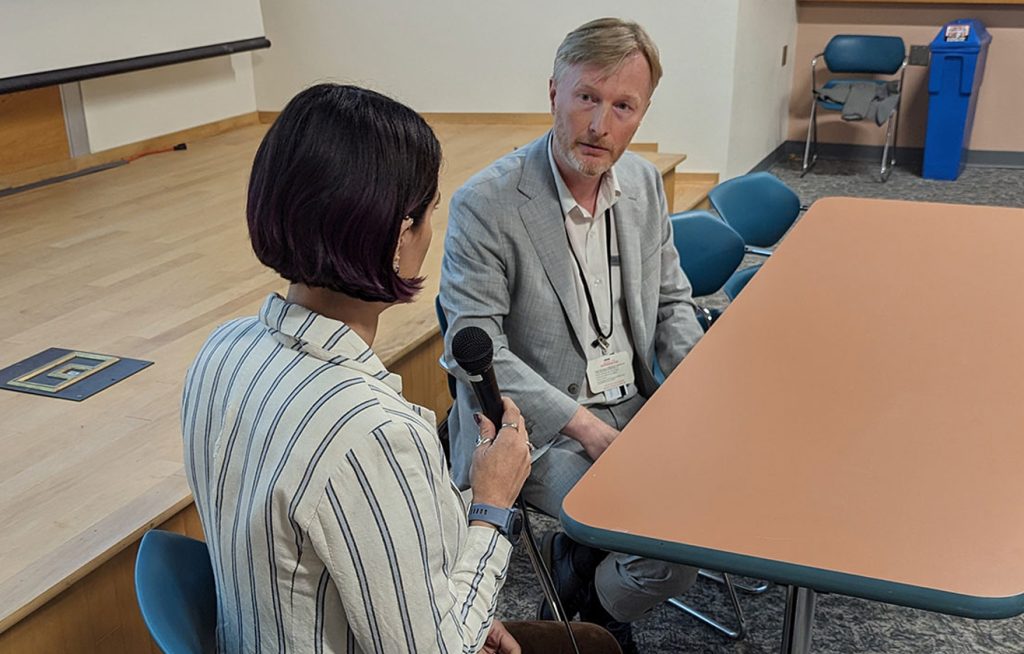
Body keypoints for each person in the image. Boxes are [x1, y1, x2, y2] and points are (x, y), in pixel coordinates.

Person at [182, 83, 597, 653]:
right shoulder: (371, 433)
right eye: (429, 214)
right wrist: (492, 505)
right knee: (595, 645)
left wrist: (462, 610)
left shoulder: (221, 350)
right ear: (401, 239)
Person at [440, 18, 705, 652]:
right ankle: (595, 617)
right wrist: (587, 429)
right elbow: (476, 354)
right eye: (587, 97)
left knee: (721, 505)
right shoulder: (487, 203)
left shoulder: (643, 185)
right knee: (669, 548)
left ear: (642, 113)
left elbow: (673, 303)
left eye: (623, 107)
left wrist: (698, 392)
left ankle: (583, 587)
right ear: (554, 92)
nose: (600, 125)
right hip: (532, 429)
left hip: (633, 402)